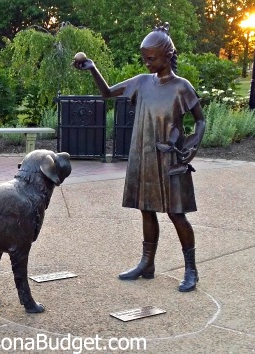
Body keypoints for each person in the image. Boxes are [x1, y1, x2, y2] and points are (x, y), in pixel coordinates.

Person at [74, 23, 206, 292]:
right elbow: (107, 93)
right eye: (144, 58)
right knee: (146, 209)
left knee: (176, 214)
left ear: (167, 56)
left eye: (151, 58)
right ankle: (147, 263)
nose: (146, 63)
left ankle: (191, 269)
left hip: (171, 160)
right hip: (144, 156)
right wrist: (93, 69)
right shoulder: (142, 82)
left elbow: (200, 121)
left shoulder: (182, 87)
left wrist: (193, 144)